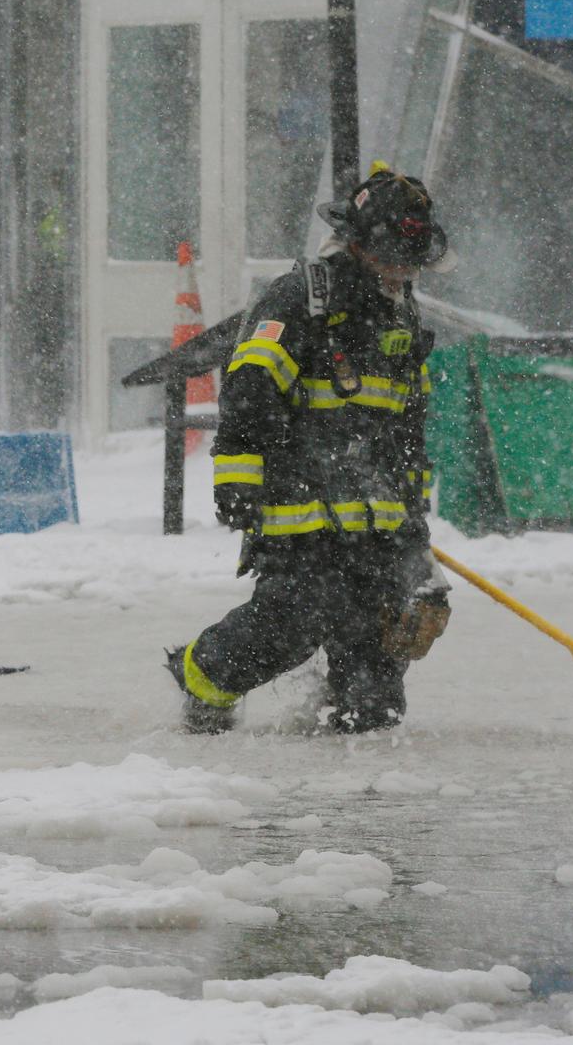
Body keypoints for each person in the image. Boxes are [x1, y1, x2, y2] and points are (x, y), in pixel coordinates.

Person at [166, 164, 454, 734]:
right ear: (360, 244)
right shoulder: (303, 299)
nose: (402, 272)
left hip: (374, 522)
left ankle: (349, 724)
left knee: (375, 690)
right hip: (300, 510)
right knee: (289, 628)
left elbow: (406, 433)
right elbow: (249, 391)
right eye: (393, 257)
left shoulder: (402, 313)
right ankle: (202, 674)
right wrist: (238, 481)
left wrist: (413, 530)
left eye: (411, 261)